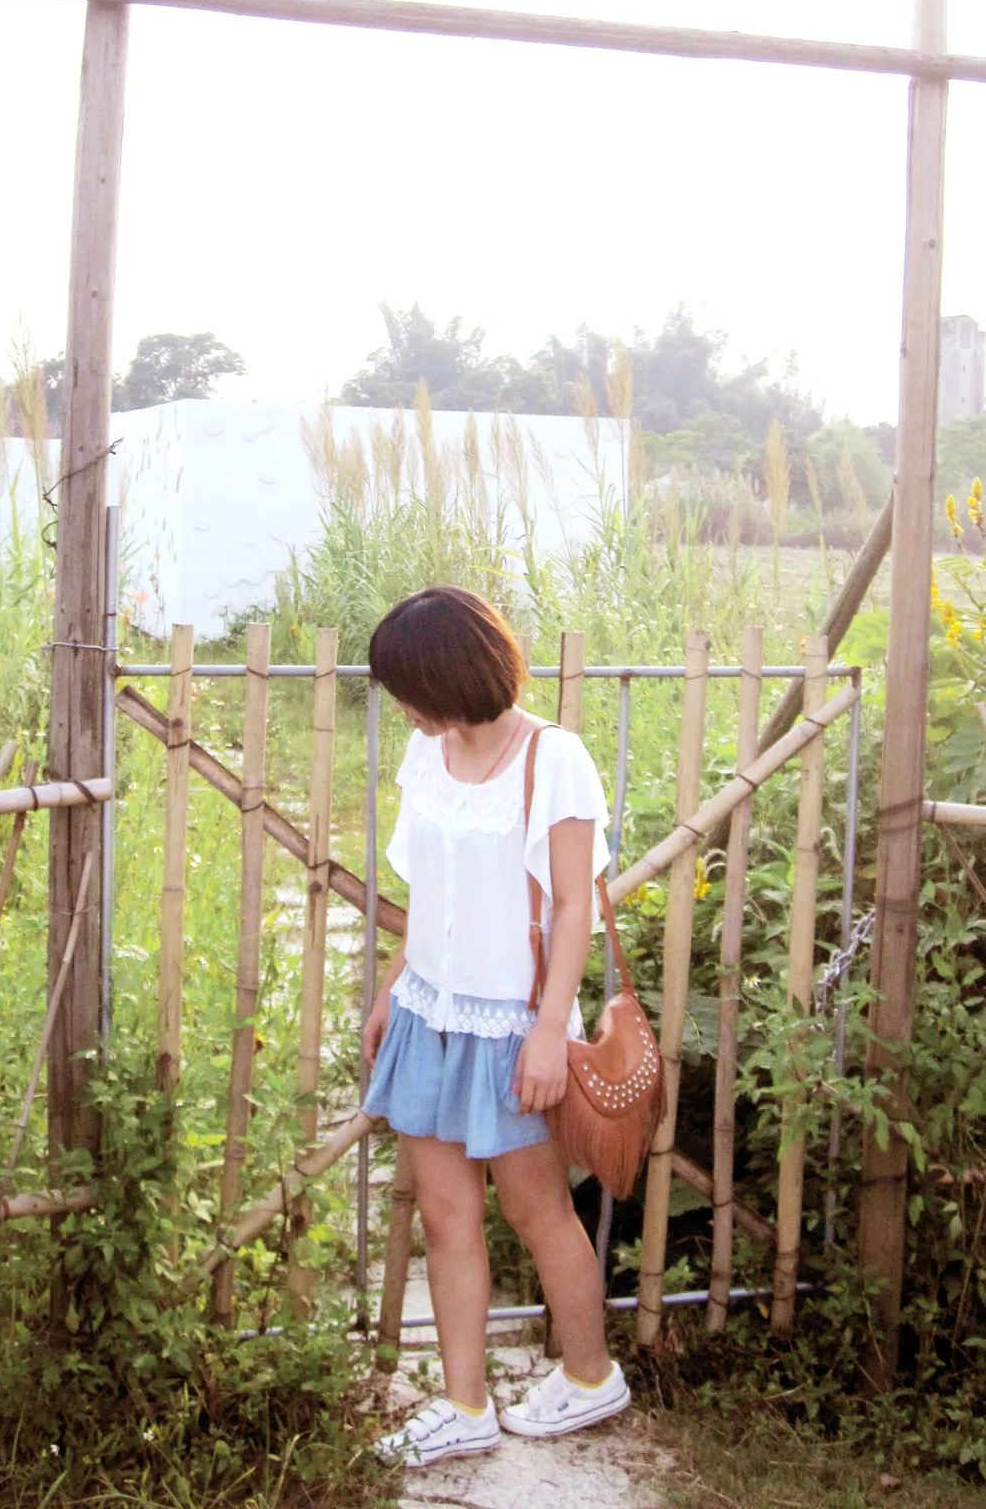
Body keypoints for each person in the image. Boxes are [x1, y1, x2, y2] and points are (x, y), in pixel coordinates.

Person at [362, 585, 630, 1468]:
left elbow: (574, 908)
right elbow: (426, 896)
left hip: (512, 1025)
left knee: (537, 1211)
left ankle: (590, 1377)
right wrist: (391, 988)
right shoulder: (425, 753)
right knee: (446, 1220)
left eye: (409, 687)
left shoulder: (554, 759)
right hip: (428, 1012)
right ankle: (464, 1405)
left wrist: (549, 1033)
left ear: (450, 675)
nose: (402, 705)